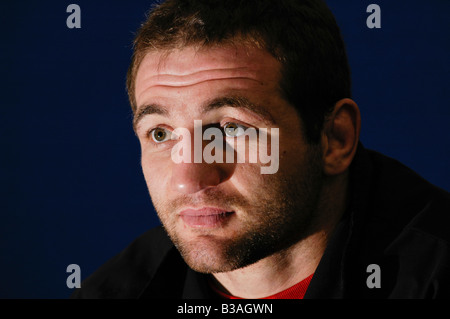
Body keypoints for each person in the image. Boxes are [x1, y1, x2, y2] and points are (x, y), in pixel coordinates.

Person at [71, 0, 450, 299]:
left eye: (231, 128)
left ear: (335, 139)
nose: (189, 179)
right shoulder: (119, 290)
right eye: (159, 134)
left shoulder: (433, 273)